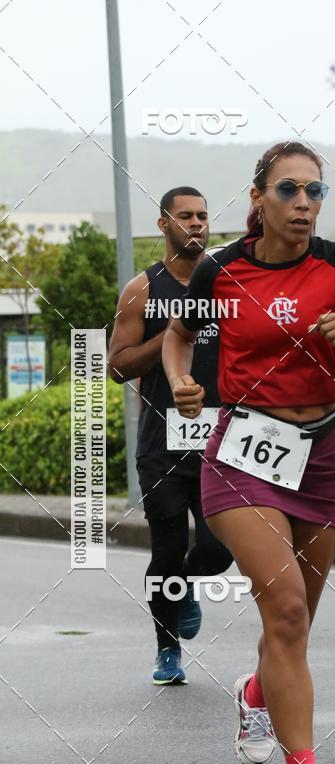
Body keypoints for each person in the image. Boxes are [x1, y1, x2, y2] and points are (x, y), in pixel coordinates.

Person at [162, 143, 335, 764]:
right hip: (245, 452)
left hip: (324, 456)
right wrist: (184, 381)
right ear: (258, 200)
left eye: (315, 192)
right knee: (287, 611)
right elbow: (178, 335)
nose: (304, 203)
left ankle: (254, 690)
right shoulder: (221, 268)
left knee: (293, 619)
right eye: (289, 190)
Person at [108, 186, 232, 686]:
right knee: (165, 553)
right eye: (186, 216)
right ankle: (167, 651)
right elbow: (117, 366)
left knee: (221, 548)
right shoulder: (142, 290)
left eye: (203, 215)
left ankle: (188, 584)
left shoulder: (229, 285)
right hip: (161, 444)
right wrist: (173, 334)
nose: (198, 224)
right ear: (164, 225)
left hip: (222, 442)